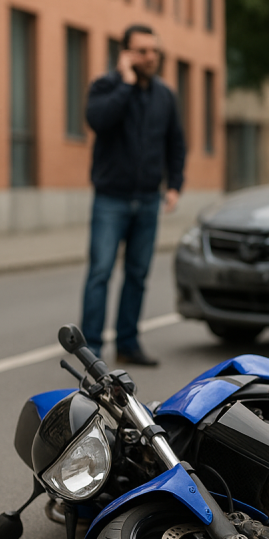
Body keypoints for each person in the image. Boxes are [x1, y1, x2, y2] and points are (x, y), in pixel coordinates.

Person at [81, 23, 186, 365]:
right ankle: (91, 352)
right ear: (125, 54)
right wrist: (125, 84)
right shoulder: (105, 87)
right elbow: (99, 120)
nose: (151, 57)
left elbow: (175, 142)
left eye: (155, 51)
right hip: (111, 198)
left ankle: (127, 344)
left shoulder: (165, 95)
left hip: (148, 199)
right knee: (101, 272)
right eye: (142, 51)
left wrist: (174, 184)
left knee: (138, 275)